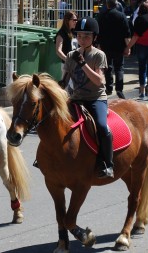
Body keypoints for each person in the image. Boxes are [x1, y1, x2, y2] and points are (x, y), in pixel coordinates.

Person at [61, 17, 113, 178]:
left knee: (102, 126)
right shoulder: (71, 55)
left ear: (94, 37)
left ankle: (108, 163)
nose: (82, 39)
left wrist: (83, 64)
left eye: (87, 36)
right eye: (80, 36)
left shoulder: (98, 55)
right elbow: (65, 80)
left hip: (95, 98)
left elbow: (99, 81)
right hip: (76, 98)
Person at [125, 2, 148, 101]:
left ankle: (142, 92)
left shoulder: (139, 19)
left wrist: (128, 47)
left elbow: (135, 36)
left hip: (142, 46)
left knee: (142, 69)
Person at [97, 0, 131, 99]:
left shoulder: (101, 16)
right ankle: (119, 89)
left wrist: (98, 45)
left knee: (108, 68)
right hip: (119, 46)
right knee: (119, 68)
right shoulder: (121, 16)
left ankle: (109, 87)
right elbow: (127, 33)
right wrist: (128, 47)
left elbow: (98, 32)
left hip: (105, 46)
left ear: (107, 4)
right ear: (116, 4)